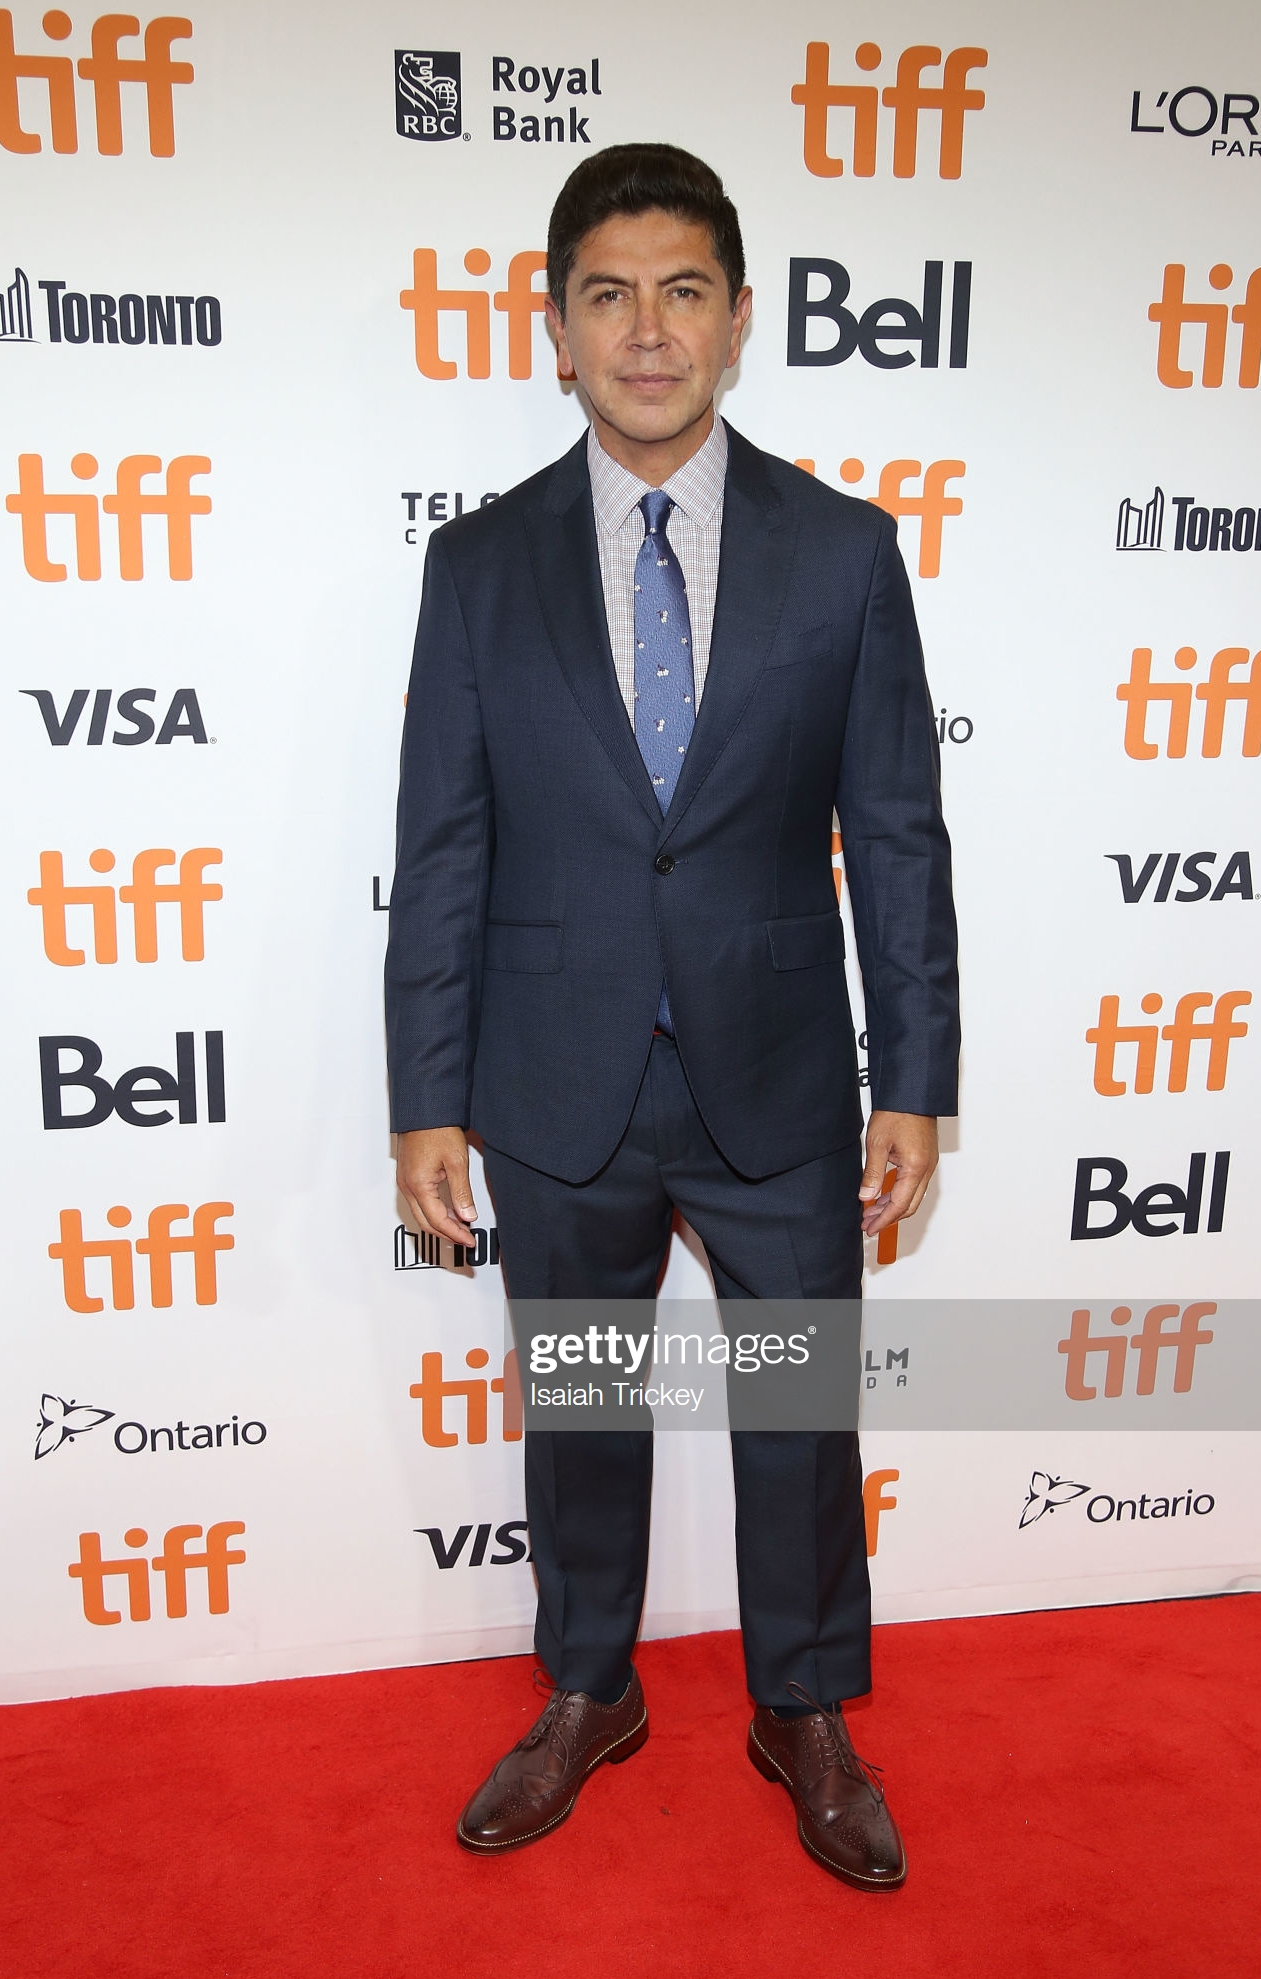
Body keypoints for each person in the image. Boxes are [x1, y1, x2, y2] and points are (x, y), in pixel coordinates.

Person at [385, 143, 959, 1891]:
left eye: (682, 290)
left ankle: (801, 1704)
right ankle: (587, 1689)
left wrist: (915, 1077)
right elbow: (445, 842)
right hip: (553, 1082)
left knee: (796, 1411)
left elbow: (901, 832)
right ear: (553, 327)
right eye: (608, 294)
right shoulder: (477, 567)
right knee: (579, 1405)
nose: (647, 331)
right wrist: (425, 1098)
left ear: (737, 318)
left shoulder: (844, 551)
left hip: (777, 1074)